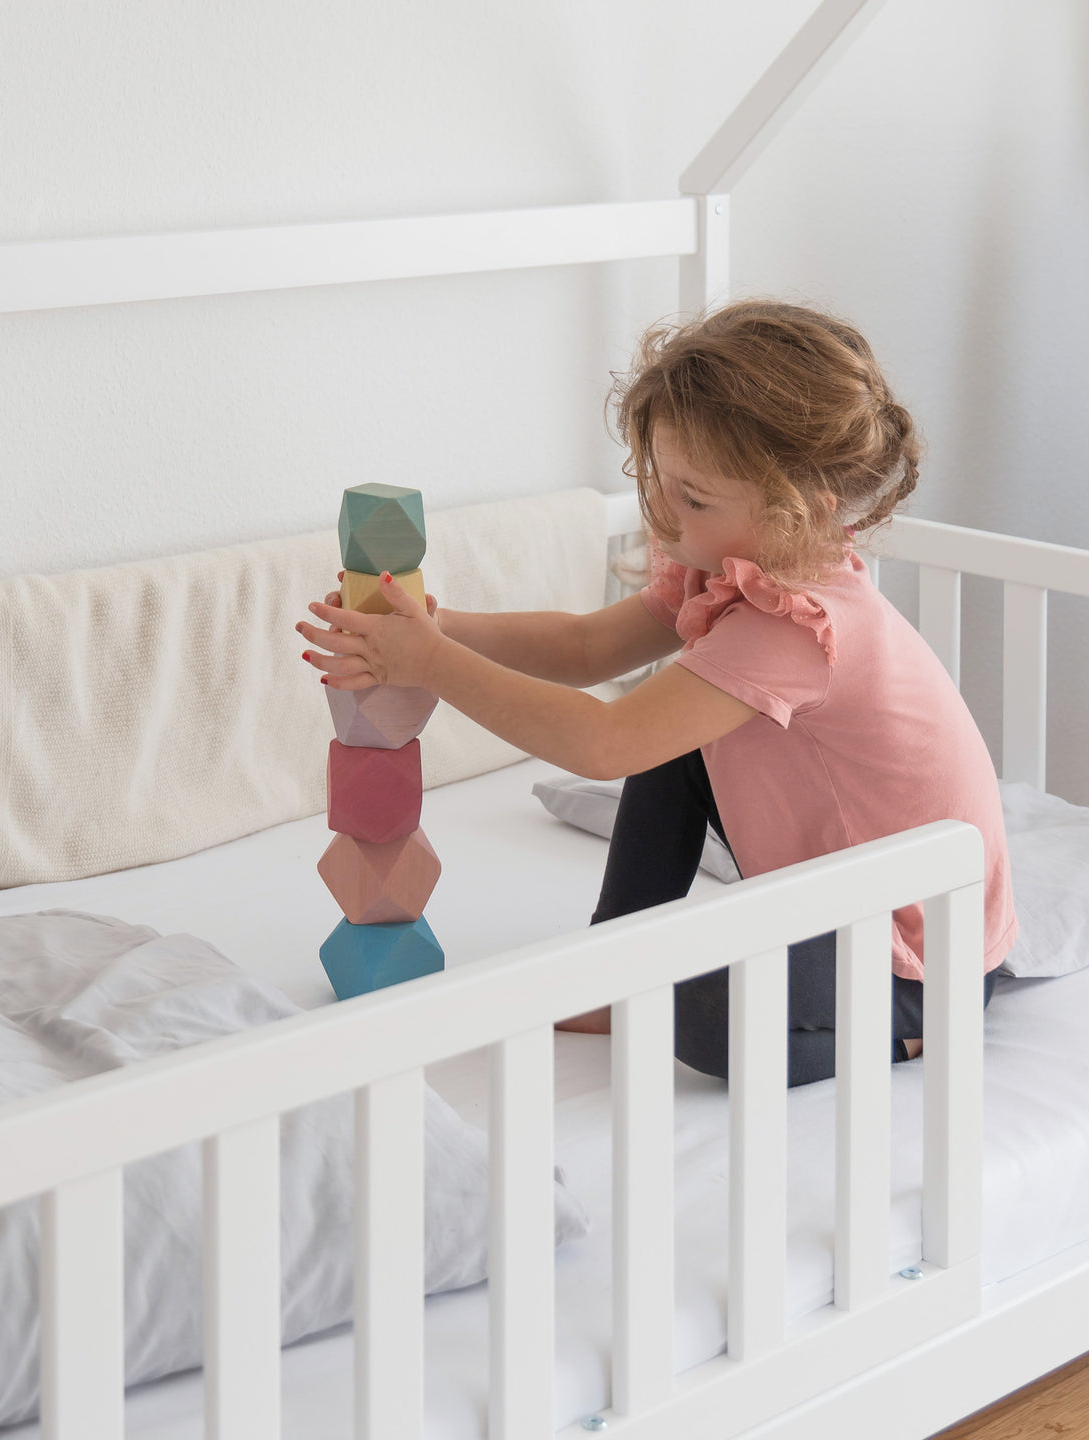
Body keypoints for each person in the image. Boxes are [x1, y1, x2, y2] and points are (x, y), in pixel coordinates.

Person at [296, 299, 1016, 1087]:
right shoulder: (733, 571)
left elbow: (603, 745)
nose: (661, 514)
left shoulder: (793, 628)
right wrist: (440, 627)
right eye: (659, 482)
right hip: (835, 900)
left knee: (700, 1018)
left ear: (796, 512)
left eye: (693, 498)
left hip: (911, 952)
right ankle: (617, 959)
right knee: (673, 737)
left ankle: (916, 1036)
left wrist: (431, 664)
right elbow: (584, 648)